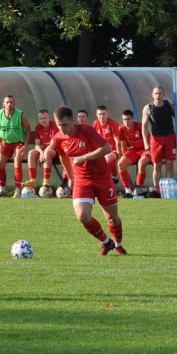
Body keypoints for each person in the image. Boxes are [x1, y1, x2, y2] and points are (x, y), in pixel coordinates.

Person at [47, 106, 127, 255]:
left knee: (112, 218)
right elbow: (62, 155)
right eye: (58, 125)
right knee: (83, 216)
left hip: (102, 178)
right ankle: (106, 242)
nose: (61, 128)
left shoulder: (86, 130)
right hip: (82, 180)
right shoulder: (59, 137)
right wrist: (70, 177)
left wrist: (84, 157)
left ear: (72, 120)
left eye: (64, 124)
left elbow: (107, 148)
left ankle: (118, 244)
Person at [0, 95, 32, 197]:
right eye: (7, 102)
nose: (9, 104)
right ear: (3, 104)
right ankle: (2, 190)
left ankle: (17, 191)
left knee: (17, 161)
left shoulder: (20, 114)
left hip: (18, 142)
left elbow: (28, 129)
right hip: (5, 142)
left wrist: (26, 145)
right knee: (0, 163)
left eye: (11, 102)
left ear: (14, 104)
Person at [140, 86, 177, 194]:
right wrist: (146, 143)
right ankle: (158, 191)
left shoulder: (168, 104)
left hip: (170, 137)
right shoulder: (148, 108)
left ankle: (169, 190)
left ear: (163, 94)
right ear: (152, 95)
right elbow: (144, 126)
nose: (158, 96)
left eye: (160, 94)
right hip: (156, 139)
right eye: (156, 94)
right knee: (157, 165)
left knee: (170, 164)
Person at [116, 109, 152, 196]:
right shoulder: (121, 128)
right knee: (120, 164)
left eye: (128, 119)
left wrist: (150, 151)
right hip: (134, 150)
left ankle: (138, 189)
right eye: (124, 119)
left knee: (141, 163)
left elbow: (150, 140)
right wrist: (124, 156)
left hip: (145, 149)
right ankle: (128, 191)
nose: (126, 121)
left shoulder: (140, 126)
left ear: (133, 119)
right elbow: (123, 143)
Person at [27, 109, 59, 191]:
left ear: (49, 118)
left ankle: (46, 181)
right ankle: (33, 180)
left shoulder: (54, 125)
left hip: (55, 150)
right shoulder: (38, 127)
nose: (43, 120)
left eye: (45, 118)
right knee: (31, 153)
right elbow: (37, 145)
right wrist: (41, 153)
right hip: (45, 151)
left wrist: (43, 153)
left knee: (47, 152)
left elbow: (53, 144)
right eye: (41, 118)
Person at [93, 105, 121, 181]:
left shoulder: (112, 124)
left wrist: (120, 156)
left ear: (107, 114)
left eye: (103, 114)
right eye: (99, 114)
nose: (101, 116)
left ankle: (113, 176)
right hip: (102, 150)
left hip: (113, 150)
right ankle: (105, 178)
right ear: (96, 115)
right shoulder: (96, 123)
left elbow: (118, 142)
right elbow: (94, 140)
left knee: (107, 158)